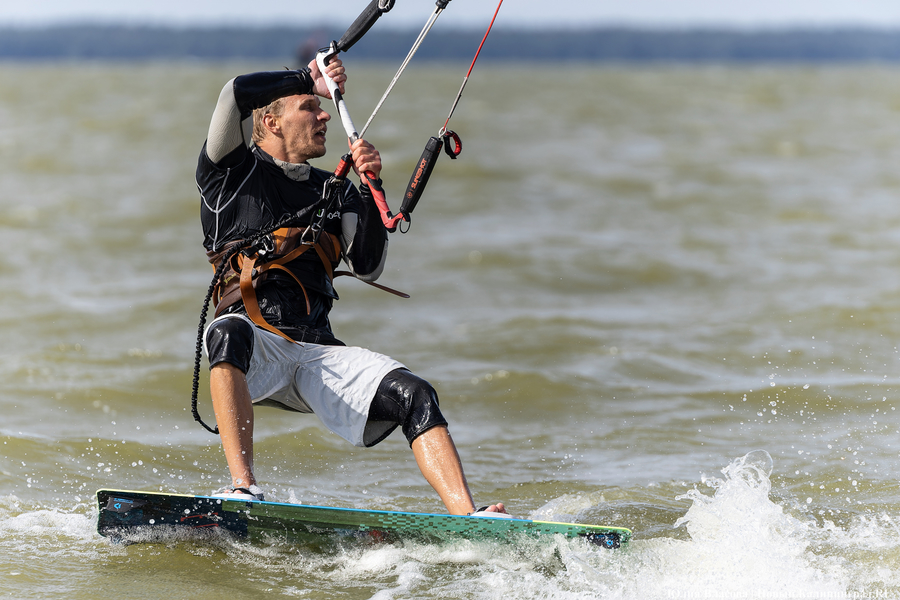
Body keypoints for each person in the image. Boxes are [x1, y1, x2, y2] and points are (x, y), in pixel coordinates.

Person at [195, 57, 508, 517]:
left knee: (415, 393)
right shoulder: (228, 172)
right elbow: (233, 94)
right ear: (270, 121)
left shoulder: (335, 190)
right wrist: (309, 78)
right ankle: (243, 490)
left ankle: (470, 517)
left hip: (318, 353)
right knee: (227, 331)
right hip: (255, 345)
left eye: (321, 107)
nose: (324, 114)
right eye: (309, 107)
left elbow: (368, 266)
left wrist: (369, 185)